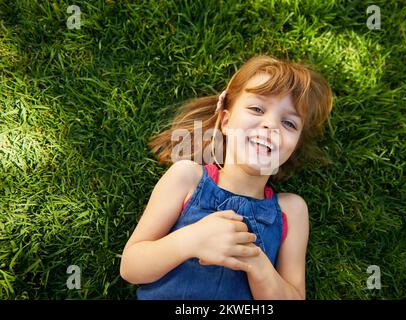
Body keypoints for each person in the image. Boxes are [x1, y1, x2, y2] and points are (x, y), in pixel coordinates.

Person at [120, 55, 333, 299]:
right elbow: (131, 267)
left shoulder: (291, 210)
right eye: (256, 109)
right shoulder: (187, 177)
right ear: (226, 120)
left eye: (289, 123)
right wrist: (190, 241)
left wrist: (259, 267)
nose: (270, 126)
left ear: (294, 145)